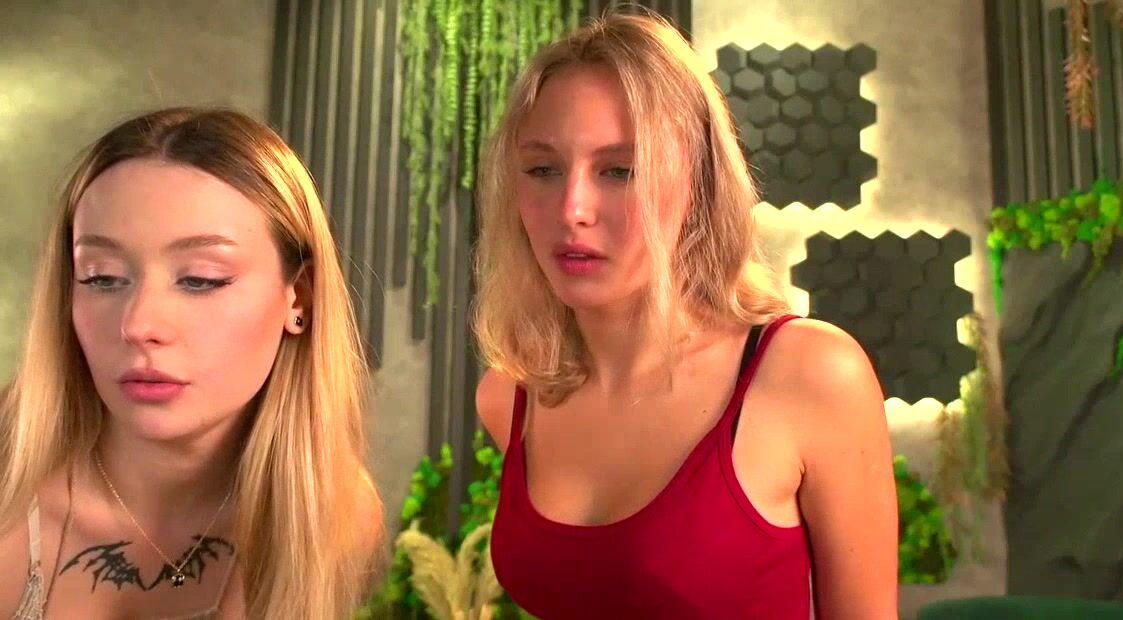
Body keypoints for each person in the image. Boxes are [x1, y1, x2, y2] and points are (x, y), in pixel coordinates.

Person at [473, 13, 898, 619]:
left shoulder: (810, 375)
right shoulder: (508, 397)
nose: (572, 209)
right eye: (543, 169)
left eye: (620, 170)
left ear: (699, 184)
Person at [0, 108, 385, 619]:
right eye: (101, 276)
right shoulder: (10, 487)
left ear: (300, 298)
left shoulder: (332, 515)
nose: (139, 324)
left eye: (201, 279)